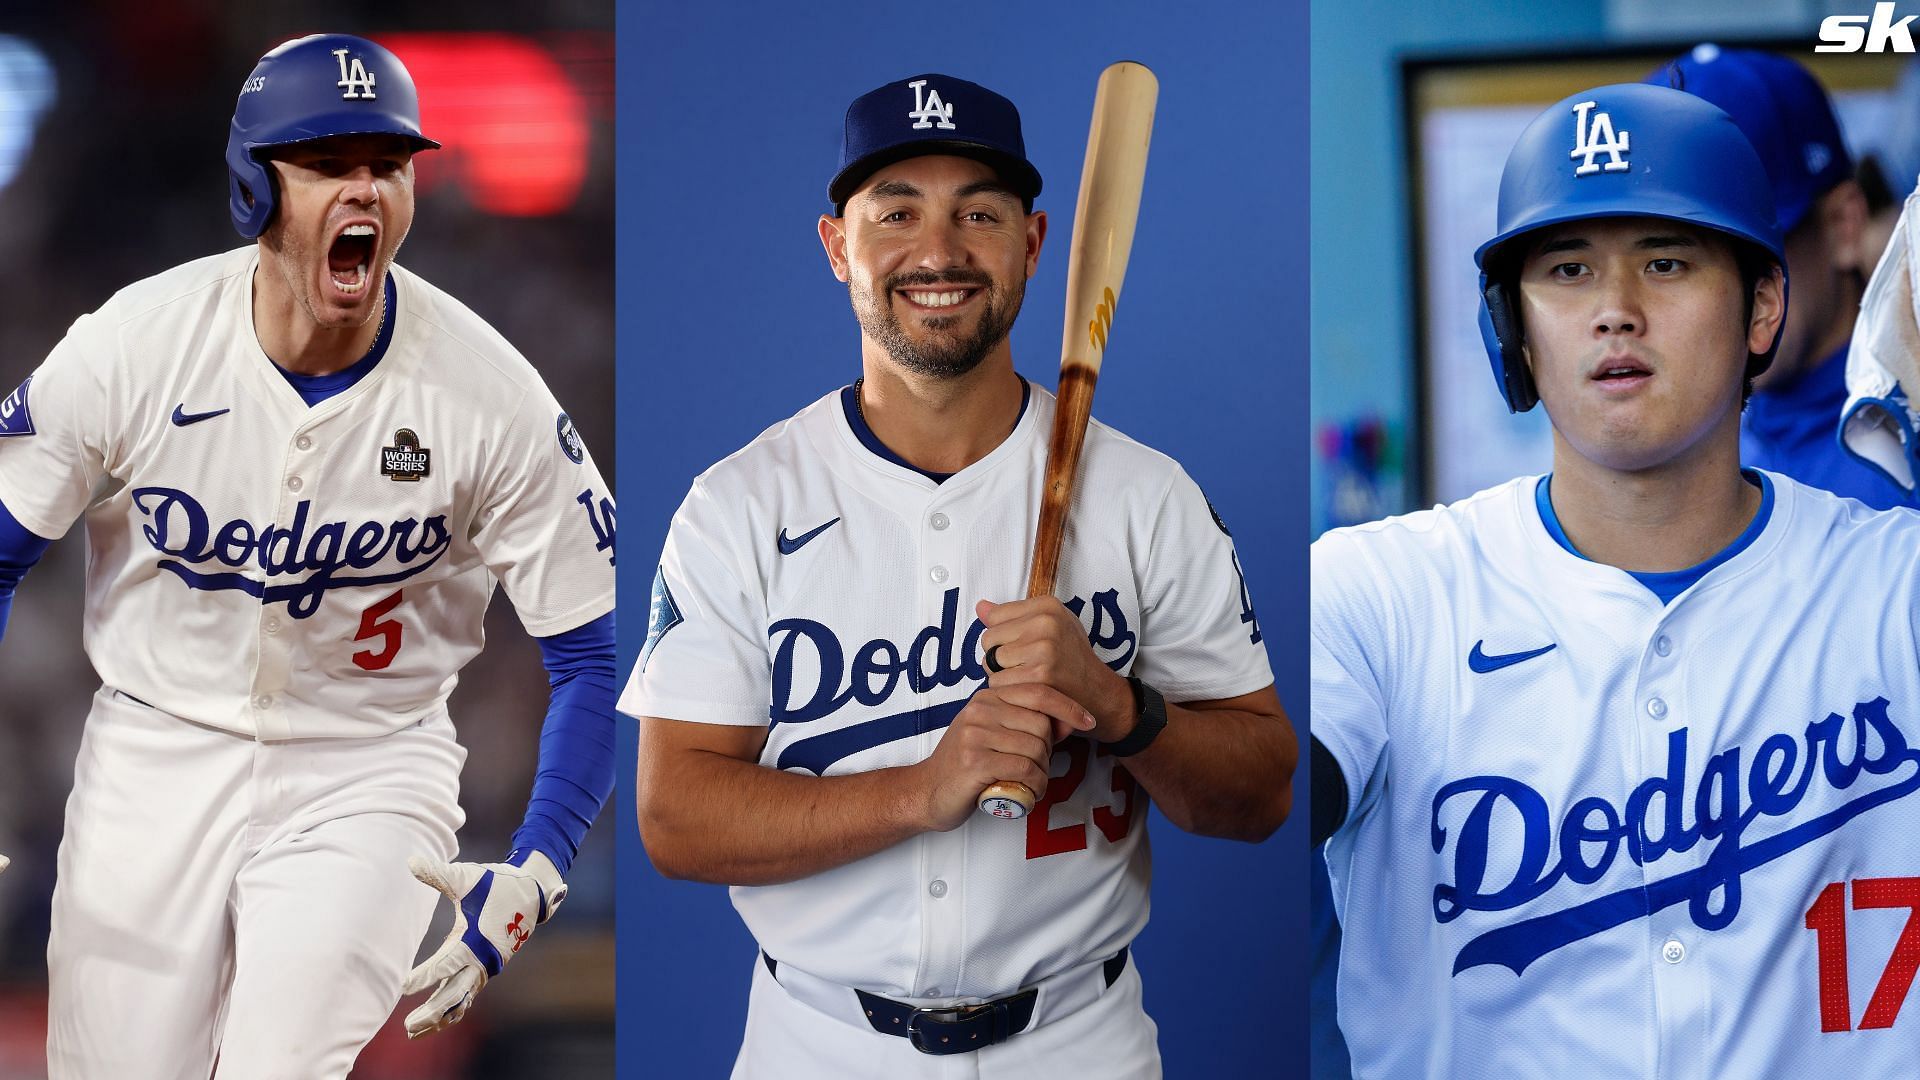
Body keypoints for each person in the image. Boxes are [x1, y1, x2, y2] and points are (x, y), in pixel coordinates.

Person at [620, 73, 1294, 1076]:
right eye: (897, 212)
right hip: (821, 1044)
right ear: (836, 245)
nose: (938, 252)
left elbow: (1262, 794)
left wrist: (1117, 704)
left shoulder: (1149, 497)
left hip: (1079, 1041)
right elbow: (675, 819)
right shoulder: (739, 505)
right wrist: (922, 789)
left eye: (978, 213)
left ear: (1032, 243)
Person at [0, 34, 616, 1077]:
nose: (365, 190)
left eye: (387, 164)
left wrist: (543, 861)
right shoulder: (134, 346)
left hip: (367, 767)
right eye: (328, 164)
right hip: (152, 754)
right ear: (254, 187)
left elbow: (592, 658)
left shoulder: (491, 393)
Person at [1313, 83, 1920, 1076]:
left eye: (1667, 262)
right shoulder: (1378, 594)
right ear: (1511, 324)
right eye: (1567, 269)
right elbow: (1269, 776)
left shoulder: (1896, 586)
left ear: (1764, 305)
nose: (1616, 312)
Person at [1650, 44, 1916, 509]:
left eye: (1750, 250)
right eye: (1669, 265)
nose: (1716, 294)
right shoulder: (1676, 456)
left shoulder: (1907, 438)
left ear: (1843, 224)